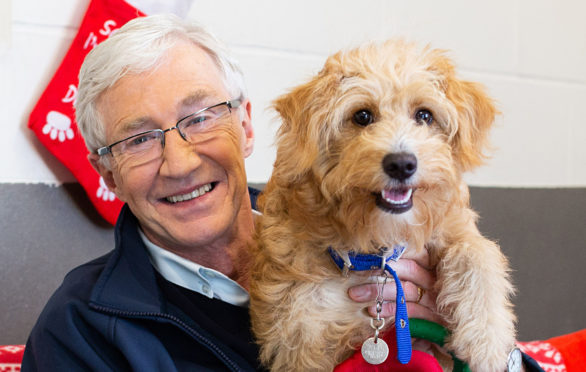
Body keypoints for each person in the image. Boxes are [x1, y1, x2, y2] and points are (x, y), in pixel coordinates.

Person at [21, 14, 541, 372]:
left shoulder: (396, 231)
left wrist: (479, 344)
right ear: (106, 173)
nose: (179, 161)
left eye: (200, 118)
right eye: (139, 140)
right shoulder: (79, 328)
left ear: (247, 126)